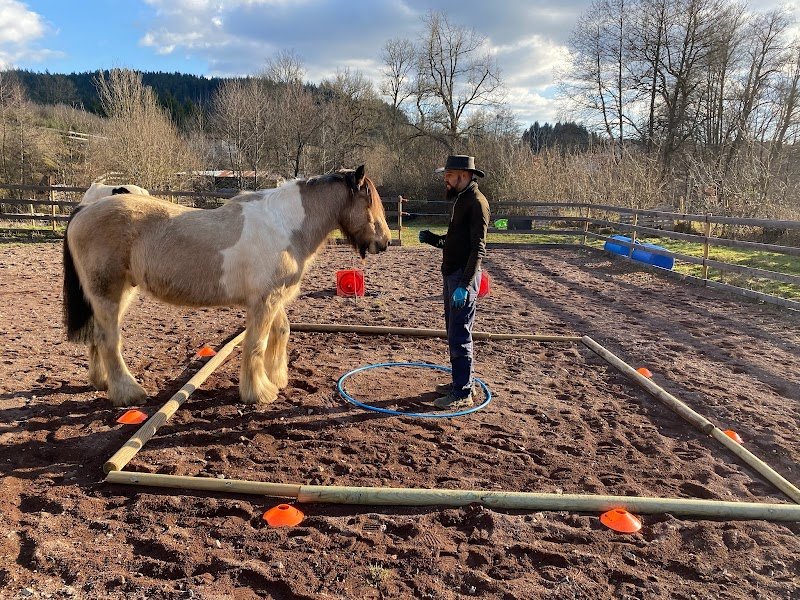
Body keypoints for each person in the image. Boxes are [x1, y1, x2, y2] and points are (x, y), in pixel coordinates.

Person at [419, 155, 490, 410]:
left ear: (463, 175)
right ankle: (459, 382)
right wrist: (434, 240)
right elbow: (455, 240)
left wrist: (464, 284)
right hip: (452, 274)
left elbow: (477, 249)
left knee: (460, 334)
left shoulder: (477, 203)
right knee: (453, 332)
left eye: (448, 176)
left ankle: (463, 392)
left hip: (463, 278)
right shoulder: (461, 199)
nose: (445, 181)